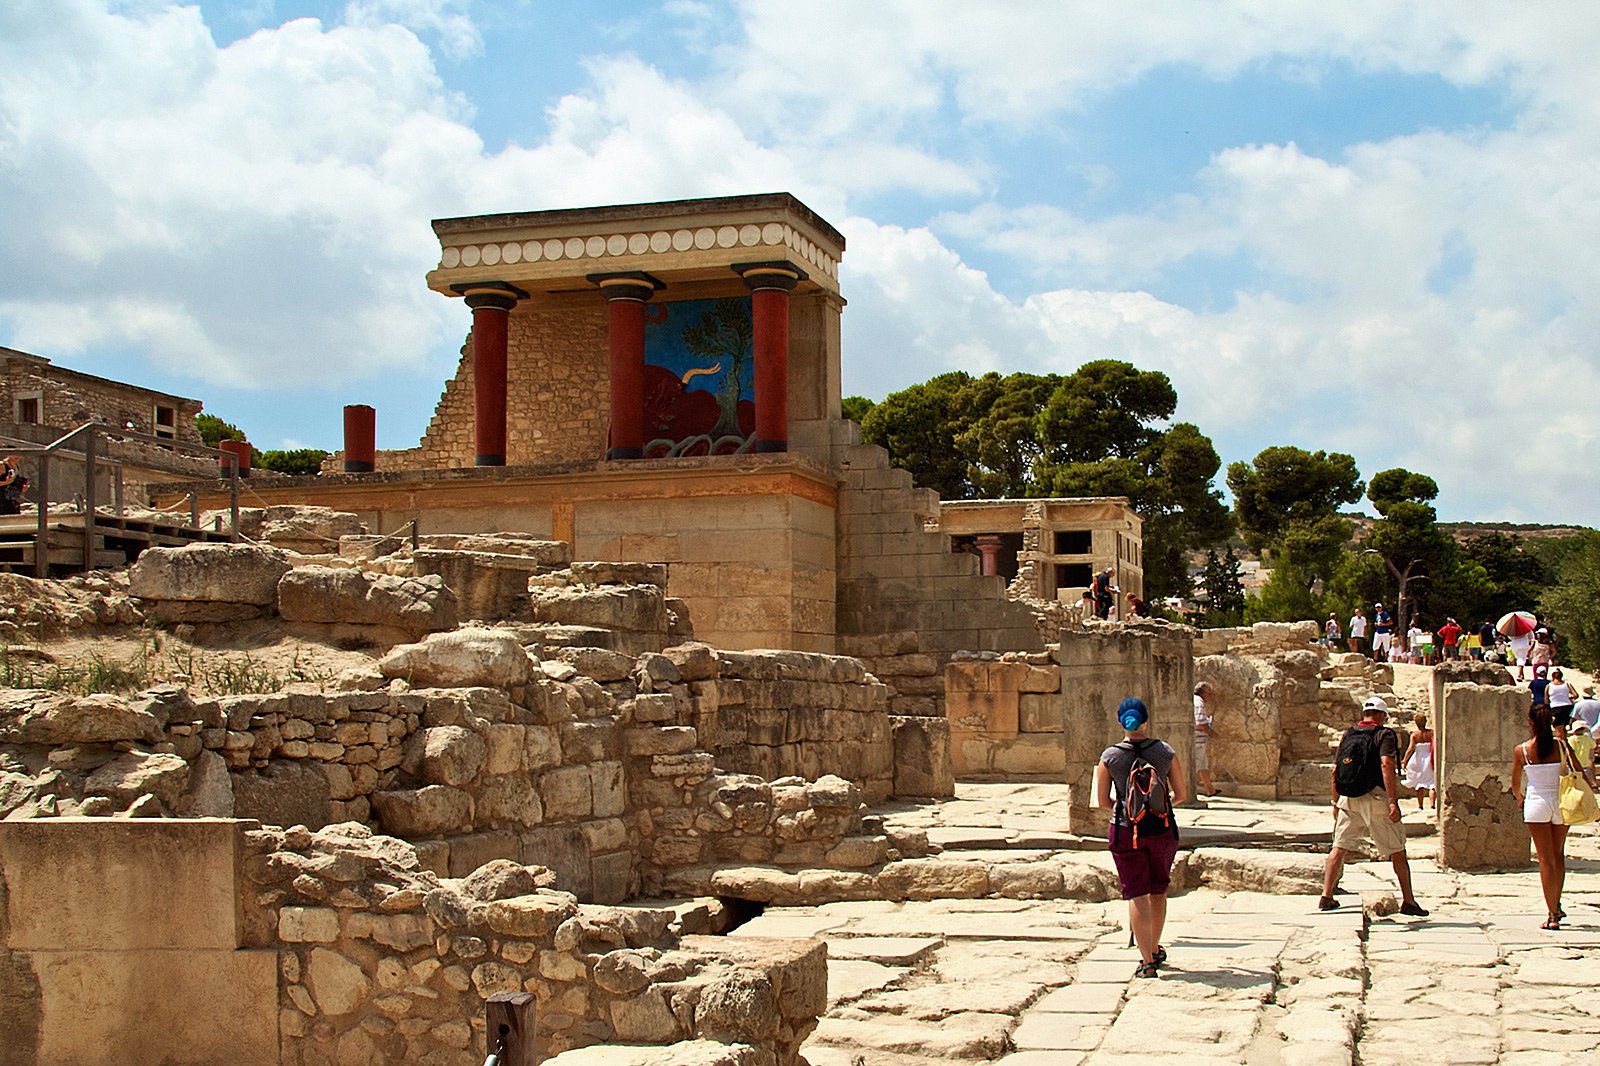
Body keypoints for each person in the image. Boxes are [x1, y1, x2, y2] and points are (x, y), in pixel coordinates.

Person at [1096, 697, 1187, 979]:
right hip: (1161, 829)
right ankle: (1157, 946)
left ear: (1120, 721)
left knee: (1137, 893)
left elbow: (1101, 801)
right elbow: (1181, 795)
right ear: (1146, 720)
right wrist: (1157, 809)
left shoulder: (1109, 757)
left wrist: (1125, 811)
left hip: (1126, 830)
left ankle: (1146, 960)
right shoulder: (1165, 752)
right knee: (1158, 889)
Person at [1320, 696, 1428, 916]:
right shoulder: (1384, 734)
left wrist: (1335, 801)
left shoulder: (1349, 734)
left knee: (1339, 847)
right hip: (1376, 798)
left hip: (1349, 798)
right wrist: (1392, 801)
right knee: (1397, 850)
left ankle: (1326, 895)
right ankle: (1408, 900)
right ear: (1381, 715)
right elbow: (1387, 764)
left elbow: (1335, 770)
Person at [1512, 703, 1594, 930]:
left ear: (1530, 721)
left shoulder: (1523, 750)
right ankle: (1556, 904)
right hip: (1561, 802)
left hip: (1536, 803)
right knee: (1558, 855)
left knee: (1545, 860)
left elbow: (1515, 784)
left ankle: (1552, 913)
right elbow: (1579, 771)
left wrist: (1521, 800)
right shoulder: (1561, 745)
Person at [1401, 712, 1435, 811]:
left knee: (1419, 783)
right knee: (1432, 783)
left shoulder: (1415, 735)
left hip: (1418, 759)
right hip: (1430, 759)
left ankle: (1420, 805)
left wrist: (1405, 760)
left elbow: (1410, 748)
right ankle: (1432, 804)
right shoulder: (1431, 733)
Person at [1193, 682, 1219, 797]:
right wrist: (1213, 734)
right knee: (1195, 766)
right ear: (1204, 693)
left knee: (1203, 766)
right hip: (1197, 741)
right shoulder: (1198, 702)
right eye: (1209, 694)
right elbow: (1200, 723)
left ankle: (1210, 789)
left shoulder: (1197, 701)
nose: (1210, 697)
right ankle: (1181, 792)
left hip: (1200, 741)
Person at [1545, 667, 1578, 733]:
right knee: (1565, 726)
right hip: (1568, 707)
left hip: (1555, 708)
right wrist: (1568, 697)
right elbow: (1576, 695)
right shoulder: (1567, 684)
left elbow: (1546, 701)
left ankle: (1563, 741)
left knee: (1559, 729)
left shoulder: (1549, 686)